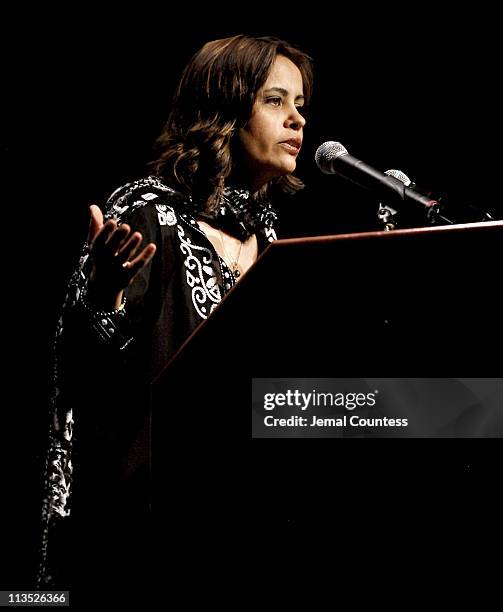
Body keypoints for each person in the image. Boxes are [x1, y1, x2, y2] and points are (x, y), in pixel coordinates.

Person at [37, 34, 313, 596]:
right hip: (151, 527)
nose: (297, 121)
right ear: (224, 111)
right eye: (275, 101)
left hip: (244, 524)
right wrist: (104, 296)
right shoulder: (147, 213)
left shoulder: (272, 238)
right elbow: (83, 375)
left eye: (301, 106)